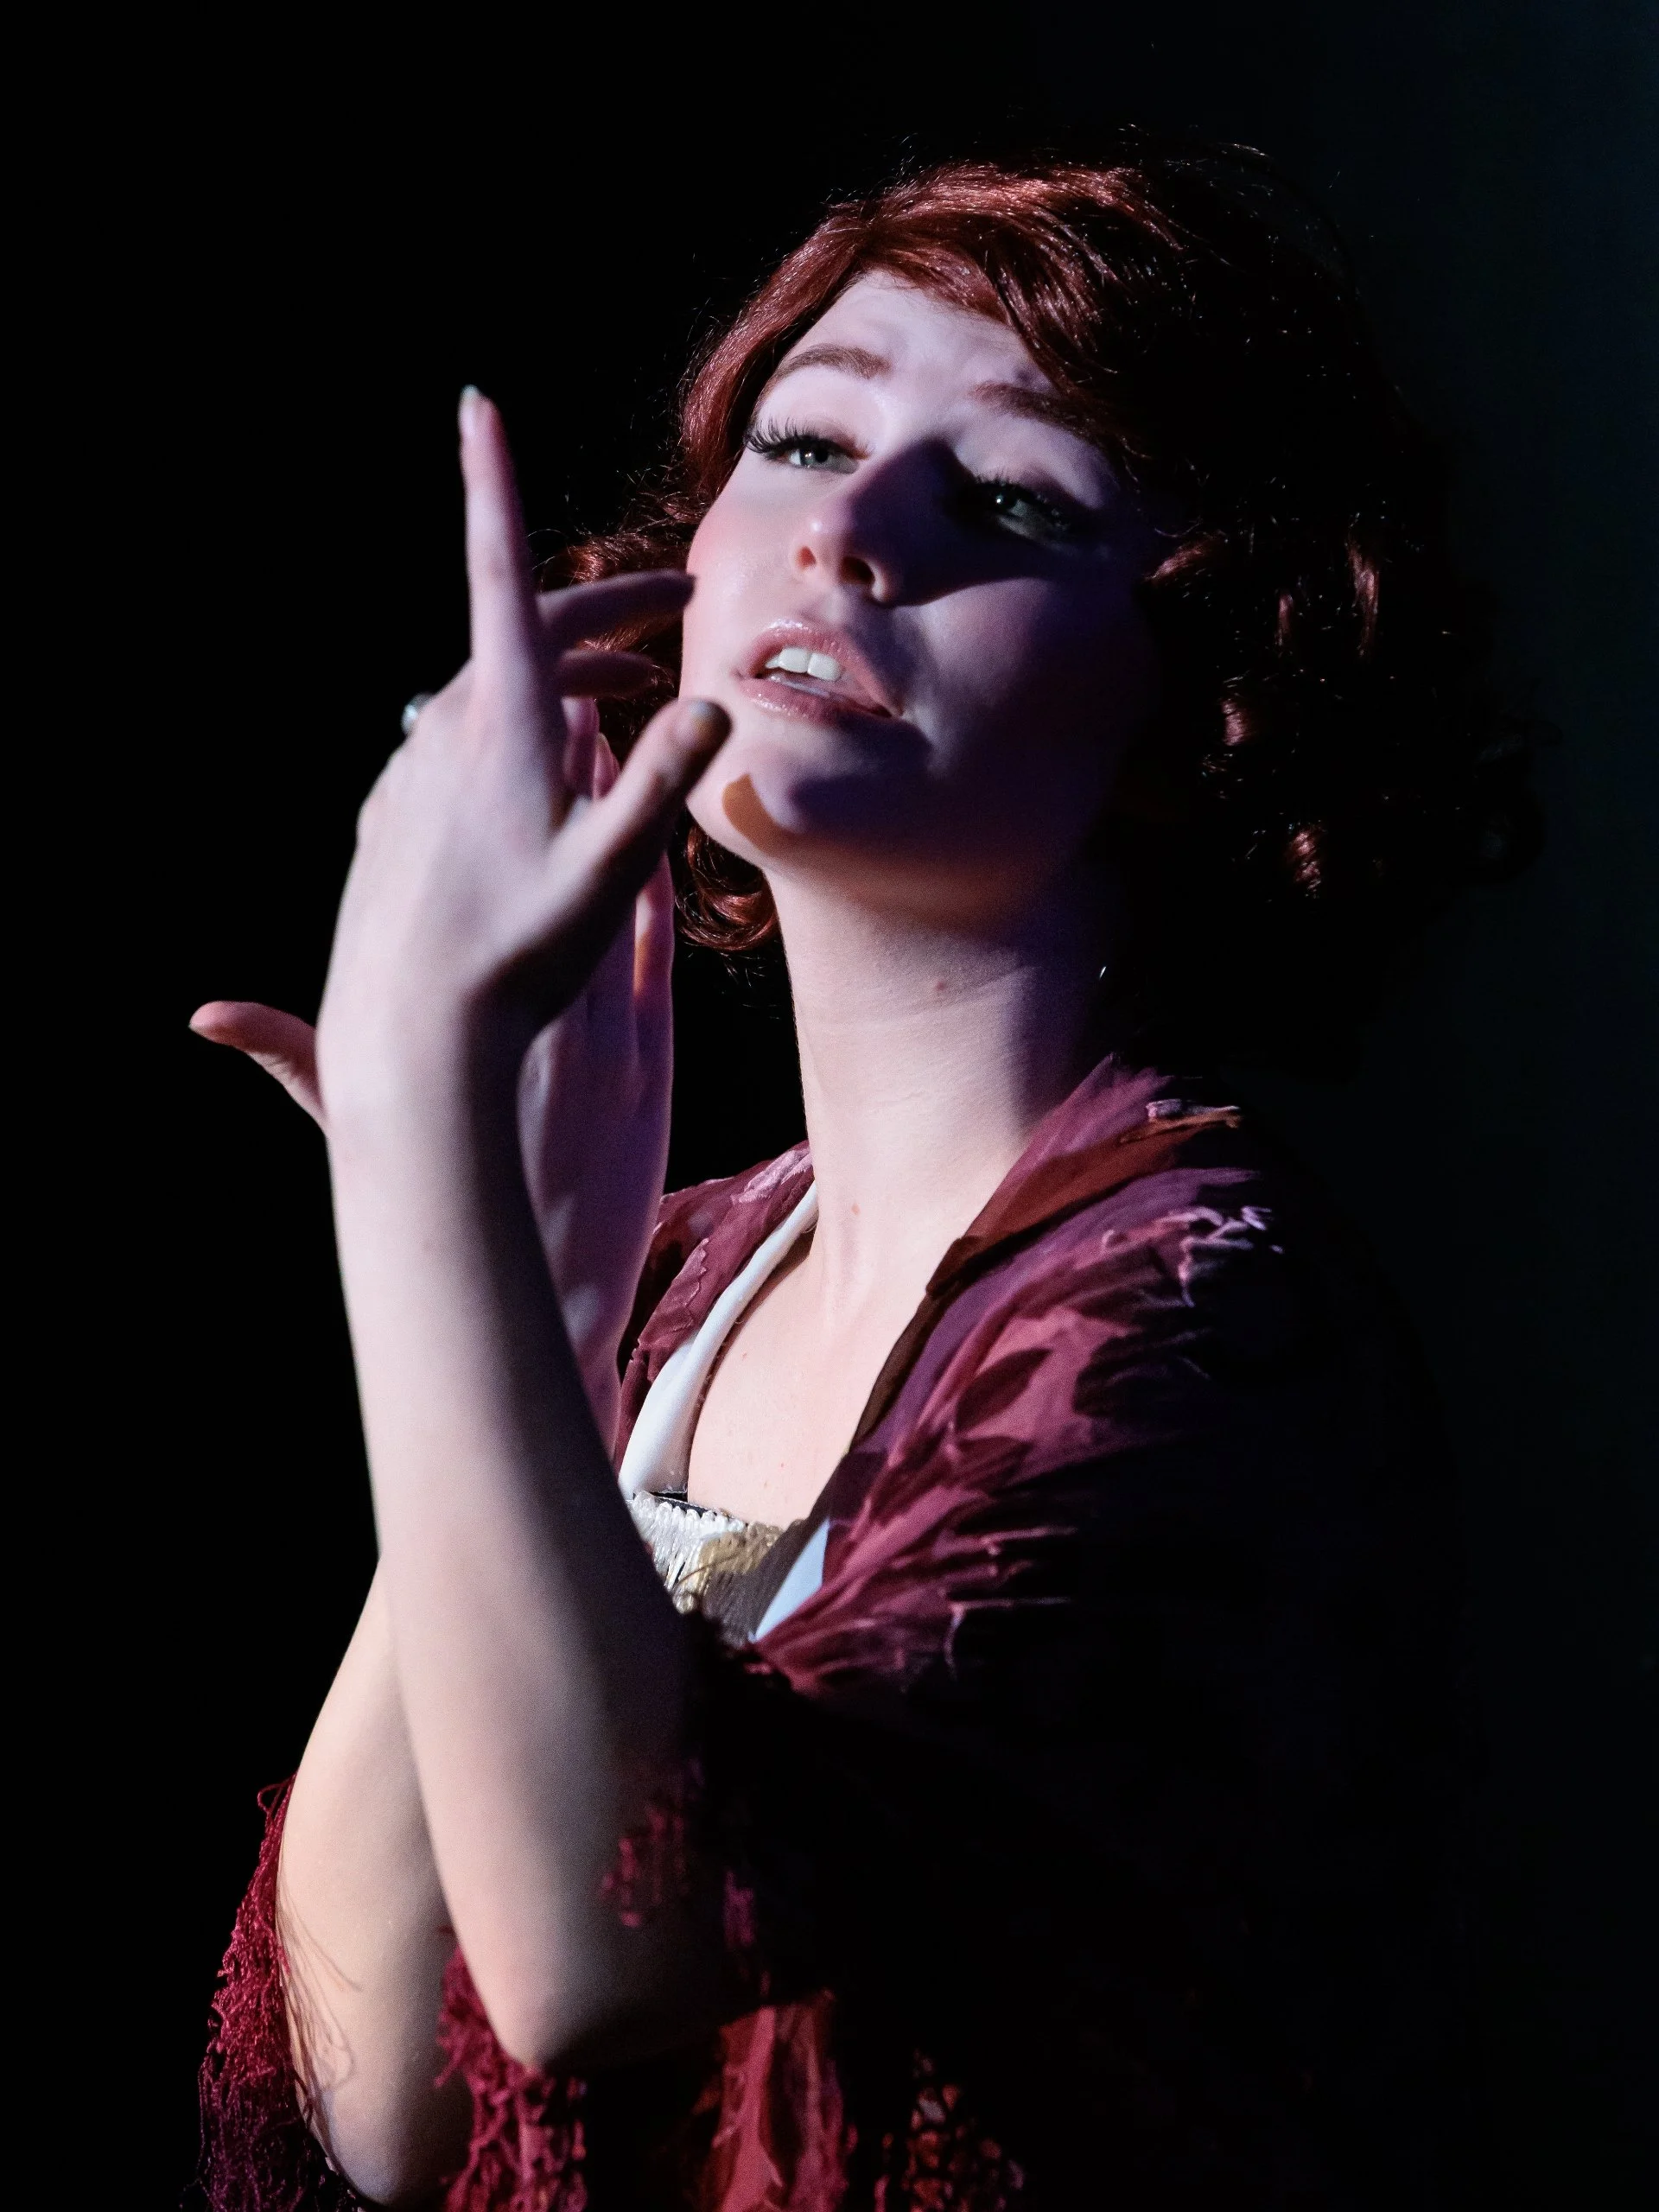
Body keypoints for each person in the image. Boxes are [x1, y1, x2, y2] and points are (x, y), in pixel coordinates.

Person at [194, 141, 1535, 2211]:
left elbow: (594, 1953)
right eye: (804, 435)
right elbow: (367, 2111)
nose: (846, 532)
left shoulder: (1191, 1314)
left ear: (1213, 699)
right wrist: (538, 1298)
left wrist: (417, 1139)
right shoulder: (697, 1262)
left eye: (1005, 499)